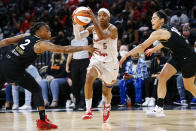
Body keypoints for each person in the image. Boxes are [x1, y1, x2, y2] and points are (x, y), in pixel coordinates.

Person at [0, 22, 95, 129]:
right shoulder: (41, 44)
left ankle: (43, 120)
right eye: (47, 30)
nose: (50, 32)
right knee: (36, 90)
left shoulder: (26, 36)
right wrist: (86, 48)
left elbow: (6, 41)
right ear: (38, 32)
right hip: (15, 68)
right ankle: (42, 121)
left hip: (3, 63)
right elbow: (64, 49)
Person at [120, 10, 196, 117]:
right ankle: (159, 108)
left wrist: (126, 55)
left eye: (154, 18)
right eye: (151, 18)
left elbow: (142, 46)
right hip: (176, 57)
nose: (151, 20)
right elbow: (164, 42)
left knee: (189, 87)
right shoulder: (167, 29)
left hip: (189, 59)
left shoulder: (159, 32)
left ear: (162, 20)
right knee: (162, 77)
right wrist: (153, 49)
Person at [73, 8, 119, 122]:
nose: (101, 17)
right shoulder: (92, 27)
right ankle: (88, 110)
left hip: (110, 63)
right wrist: (75, 23)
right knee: (88, 77)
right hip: (97, 59)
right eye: (99, 15)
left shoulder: (113, 29)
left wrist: (93, 19)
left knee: (106, 91)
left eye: (104, 15)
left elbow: (102, 35)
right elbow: (79, 37)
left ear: (109, 17)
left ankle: (107, 106)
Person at [66, 26, 92, 110]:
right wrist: (67, 64)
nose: (78, 29)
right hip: (75, 63)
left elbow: (93, 50)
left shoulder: (88, 39)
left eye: (80, 27)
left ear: (84, 29)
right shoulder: (73, 40)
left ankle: (85, 104)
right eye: (77, 28)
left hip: (85, 62)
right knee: (74, 86)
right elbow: (70, 53)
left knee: (85, 84)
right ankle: (77, 103)